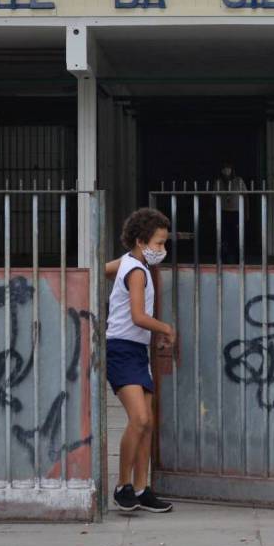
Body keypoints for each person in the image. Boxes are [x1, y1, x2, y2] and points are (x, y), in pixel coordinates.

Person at [104, 207, 176, 513]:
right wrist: (167, 328)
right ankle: (123, 486)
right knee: (140, 419)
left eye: (163, 244)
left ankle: (143, 488)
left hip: (135, 349)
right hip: (121, 349)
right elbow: (137, 316)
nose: (162, 250)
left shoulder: (127, 262)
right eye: (158, 243)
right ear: (140, 240)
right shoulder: (135, 270)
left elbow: (101, 269)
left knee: (147, 423)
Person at [216, 161, 246, 263]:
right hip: (223, 212)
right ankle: (223, 260)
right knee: (224, 237)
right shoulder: (219, 182)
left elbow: (246, 196)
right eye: (224, 168)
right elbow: (212, 198)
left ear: (232, 169)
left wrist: (247, 212)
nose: (226, 170)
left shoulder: (239, 181)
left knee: (237, 237)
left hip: (236, 212)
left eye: (228, 168)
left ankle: (238, 260)